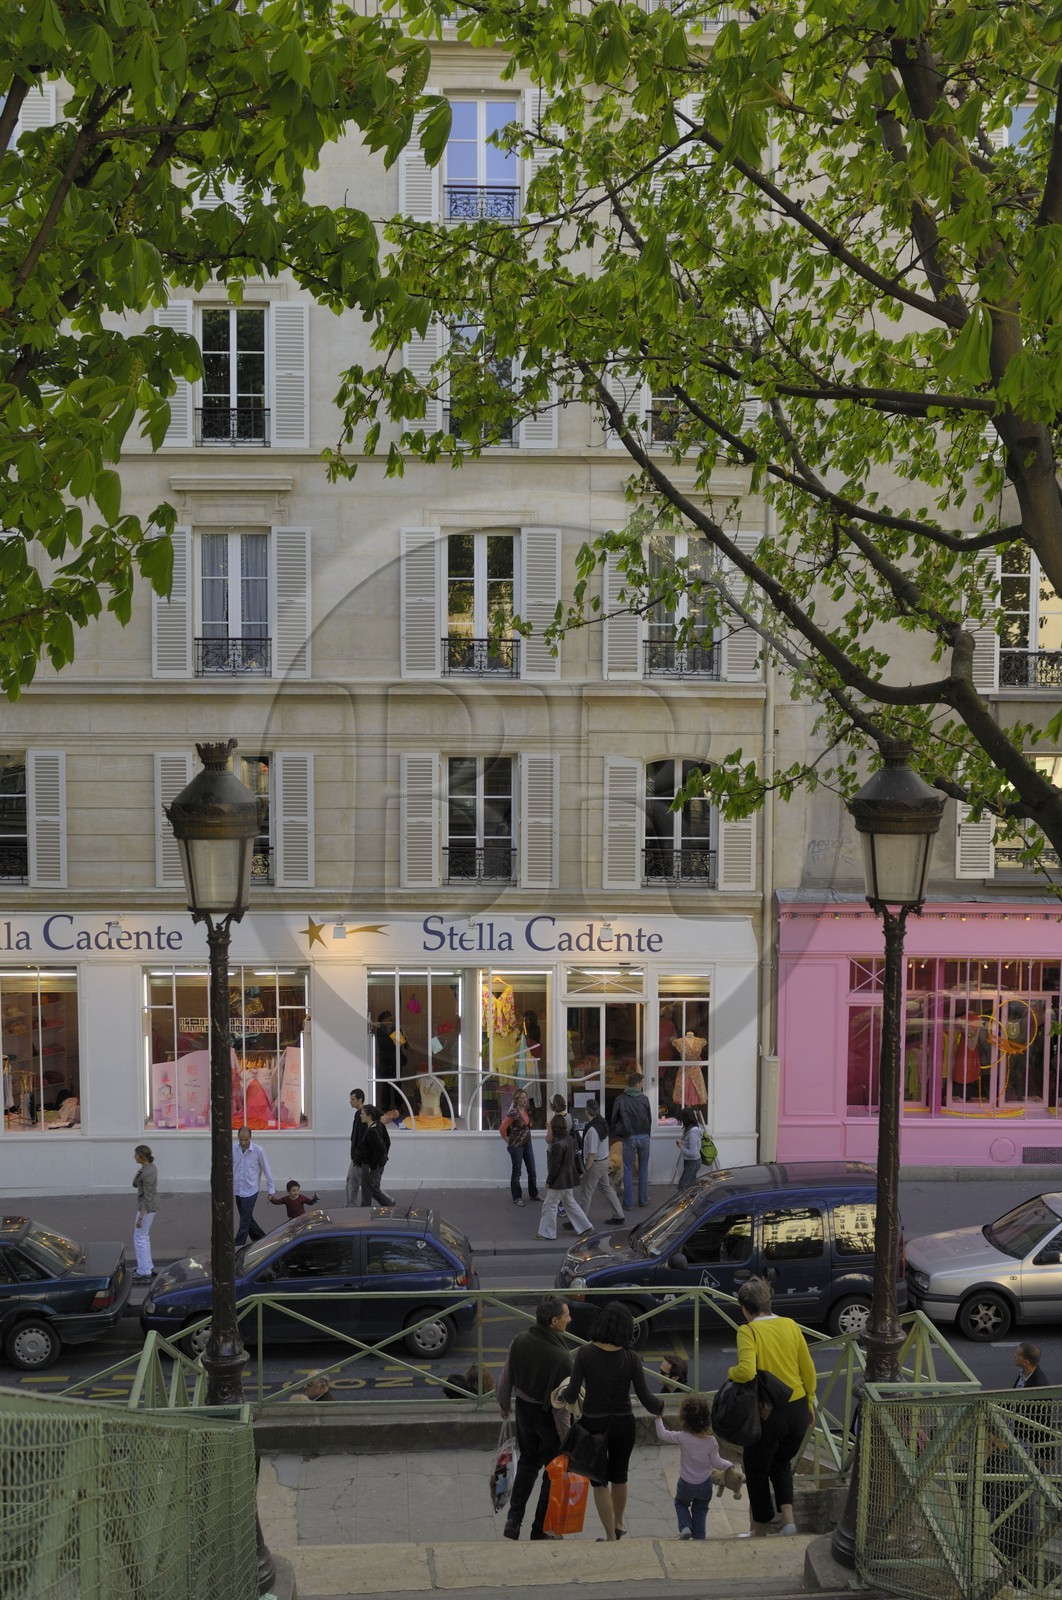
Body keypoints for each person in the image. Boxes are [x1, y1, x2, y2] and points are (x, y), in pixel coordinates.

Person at [559, 1300, 664, 1541]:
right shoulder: (631, 1357)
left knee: (599, 1481)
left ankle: (609, 1536)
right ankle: (619, 1522)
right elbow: (646, 1397)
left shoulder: (585, 1353)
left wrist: (561, 1395)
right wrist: (660, 1406)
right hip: (624, 1424)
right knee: (620, 1476)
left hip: (593, 1424)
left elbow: (573, 1393)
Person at [727, 1276, 816, 1537]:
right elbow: (808, 1370)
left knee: (755, 1469)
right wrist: (809, 1400)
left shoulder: (748, 1331)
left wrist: (730, 1371)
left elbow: (745, 1371)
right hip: (798, 1408)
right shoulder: (790, 1325)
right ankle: (788, 1521)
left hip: (768, 1413)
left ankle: (761, 1529)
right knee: (781, 1463)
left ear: (745, 1307)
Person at [497, 1294, 574, 1541]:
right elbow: (560, 1409)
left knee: (528, 1463)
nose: (569, 1319)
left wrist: (504, 1405)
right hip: (547, 1418)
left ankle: (514, 1519)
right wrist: (567, 1440)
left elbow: (505, 1379)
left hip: (523, 1411)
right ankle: (540, 1528)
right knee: (552, 1472)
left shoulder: (519, 1340)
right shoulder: (561, 1357)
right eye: (566, 1316)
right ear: (554, 1321)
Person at [655, 1395, 734, 1539]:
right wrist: (729, 1465)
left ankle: (685, 1527)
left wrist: (658, 1418)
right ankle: (699, 1538)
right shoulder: (711, 1442)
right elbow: (717, 1463)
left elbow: (662, 1434)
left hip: (685, 1483)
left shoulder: (682, 1437)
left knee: (680, 1503)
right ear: (707, 1420)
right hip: (704, 1484)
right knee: (701, 1510)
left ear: (684, 1418)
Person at [537, 1114, 592, 1239]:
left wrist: (548, 1181)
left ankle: (547, 1233)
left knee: (549, 1204)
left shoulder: (558, 1144)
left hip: (559, 1180)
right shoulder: (569, 1139)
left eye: (550, 1126)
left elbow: (555, 1166)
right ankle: (585, 1226)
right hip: (569, 1177)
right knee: (570, 1202)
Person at [578, 1096, 624, 1224]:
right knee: (607, 1189)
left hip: (596, 1164)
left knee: (586, 1193)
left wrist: (584, 1170)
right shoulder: (602, 1122)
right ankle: (619, 1215)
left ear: (586, 1111)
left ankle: (581, 1222)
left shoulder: (592, 1130)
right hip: (604, 1161)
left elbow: (592, 1154)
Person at [611, 1072, 653, 1211]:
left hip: (628, 1136)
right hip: (643, 1136)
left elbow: (614, 1119)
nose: (642, 1085)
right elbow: (649, 1119)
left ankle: (628, 1204)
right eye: (641, 1083)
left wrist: (619, 1132)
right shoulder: (644, 1099)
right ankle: (643, 1199)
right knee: (643, 1168)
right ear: (637, 1084)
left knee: (628, 1169)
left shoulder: (620, 1099)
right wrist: (648, 1134)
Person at [233, 1124, 276, 1245]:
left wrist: (271, 1189)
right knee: (247, 1219)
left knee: (244, 1223)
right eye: (241, 1139)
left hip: (251, 1191)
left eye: (246, 1139)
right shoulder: (233, 1149)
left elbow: (266, 1169)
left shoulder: (258, 1151)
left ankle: (237, 1247)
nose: (243, 1142)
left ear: (250, 1138)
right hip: (238, 1190)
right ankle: (263, 1241)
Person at [500, 1088, 540, 1207]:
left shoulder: (527, 1110)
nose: (525, 1100)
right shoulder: (513, 1113)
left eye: (525, 1097)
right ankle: (517, 1197)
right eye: (522, 1098)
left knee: (532, 1170)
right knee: (517, 1172)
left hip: (528, 1144)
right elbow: (502, 1129)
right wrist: (508, 1140)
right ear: (516, 1100)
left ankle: (534, 1194)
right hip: (516, 1146)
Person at [359, 1104, 395, 1206]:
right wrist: (383, 1160)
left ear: (369, 1116)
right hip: (379, 1164)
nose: (361, 1116)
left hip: (370, 1165)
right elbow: (387, 1143)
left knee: (366, 1192)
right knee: (374, 1189)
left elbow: (380, 1149)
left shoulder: (371, 1132)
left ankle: (365, 1214)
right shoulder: (380, 1125)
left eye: (362, 1114)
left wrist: (372, 1165)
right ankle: (389, 1204)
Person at [131, 1143, 157, 1282]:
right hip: (148, 1207)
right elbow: (135, 1184)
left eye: (135, 1154)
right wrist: (138, 1175)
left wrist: (140, 1217)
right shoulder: (148, 1168)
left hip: (146, 1208)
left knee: (139, 1238)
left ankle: (144, 1271)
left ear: (141, 1156)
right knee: (144, 1237)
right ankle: (147, 1266)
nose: (134, 1157)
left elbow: (148, 1196)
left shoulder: (147, 1173)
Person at [373, 1010, 406, 1115]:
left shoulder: (395, 1028)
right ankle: (385, 1106)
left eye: (390, 1018)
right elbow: (381, 1046)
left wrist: (408, 1048)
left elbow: (403, 1041)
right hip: (385, 1060)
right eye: (387, 1018)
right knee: (386, 1084)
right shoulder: (380, 1030)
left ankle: (398, 1105)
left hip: (396, 1059)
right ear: (382, 1020)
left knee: (398, 1082)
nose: (390, 1020)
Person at [346, 1088, 367, 1205]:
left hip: (358, 1155)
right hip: (356, 1154)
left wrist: (358, 1152)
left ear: (360, 1100)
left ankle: (351, 1205)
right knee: (352, 1180)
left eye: (353, 1099)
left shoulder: (362, 1115)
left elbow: (361, 1136)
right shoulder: (358, 1114)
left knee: (354, 1181)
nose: (350, 1101)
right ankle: (350, 1204)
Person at [676, 1109, 702, 1191]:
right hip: (691, 1161)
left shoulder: (692, 1133)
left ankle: (682, 1203)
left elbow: (693, 1153)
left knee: (682, 1186)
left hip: (692, 1162)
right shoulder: (693, 1129)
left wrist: (681, 1146)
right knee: (692, 1187)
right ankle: (693, 1202)